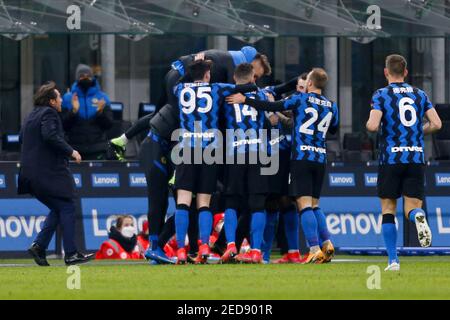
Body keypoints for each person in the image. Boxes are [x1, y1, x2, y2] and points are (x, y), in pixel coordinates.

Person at [227, 68, 339, 264]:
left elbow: (273, 105)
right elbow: (334, 129)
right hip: (320, 158)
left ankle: (313, 248)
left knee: (302, 206)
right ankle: (327, 242)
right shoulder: (332, 106)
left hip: (301, 156)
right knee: (315, 205)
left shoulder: (300, 99)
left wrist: (246, 100)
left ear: (310, 84)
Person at [108, 46, 272, 159]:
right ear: (251, 63)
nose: (253, 80)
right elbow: (231, 101)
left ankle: (122, 140)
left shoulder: (228, 57)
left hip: (173, 74)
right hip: (180, 79)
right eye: (255, 76)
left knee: (160, 115)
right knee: (182, 119)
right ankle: (178, 168)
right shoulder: (234, 63)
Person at [172, 60, 258, 264]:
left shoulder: (180, 88)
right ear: (208, 75)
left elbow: (179, 81)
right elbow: (248, 87)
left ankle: (182, 250)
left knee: (182, 201)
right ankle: (203, 246)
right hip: (209, 149)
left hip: (186, 147)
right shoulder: (217, 88)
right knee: (204, 202)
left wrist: (193, 67)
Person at [366, 54, 442, 271]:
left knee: (388, 209)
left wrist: (371, 123)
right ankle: (419, 217)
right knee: (413, 207)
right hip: (415, 157)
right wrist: (418, 130)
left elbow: (372, 126)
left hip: (391, 157)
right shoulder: (419, 94)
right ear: (406, 72)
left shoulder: (381, 94)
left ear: (386, 72)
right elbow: (436, 123)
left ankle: (393, 261)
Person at [19, 81, 94, 266]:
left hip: (29, 175)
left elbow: (22, 138)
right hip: (46, 172)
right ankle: (71, 254)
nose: (62, 100)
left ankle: (39, 246)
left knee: (59, 207)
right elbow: (50, 136)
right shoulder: (49, 113)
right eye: (59, 97)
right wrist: (71, 151)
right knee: (67, 205)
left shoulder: (31, 116)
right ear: (52, 101)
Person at [61, 64, 113, 160]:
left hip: (98, 148)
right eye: (82, 76)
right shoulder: (68, 98)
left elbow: (109, 125)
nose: (85, 78)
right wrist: (73, 111)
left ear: (92, 77)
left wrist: (100, 113)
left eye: (88, 76)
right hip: (74, 150)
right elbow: (63, 125)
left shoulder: (102, 97)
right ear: (77, 78)